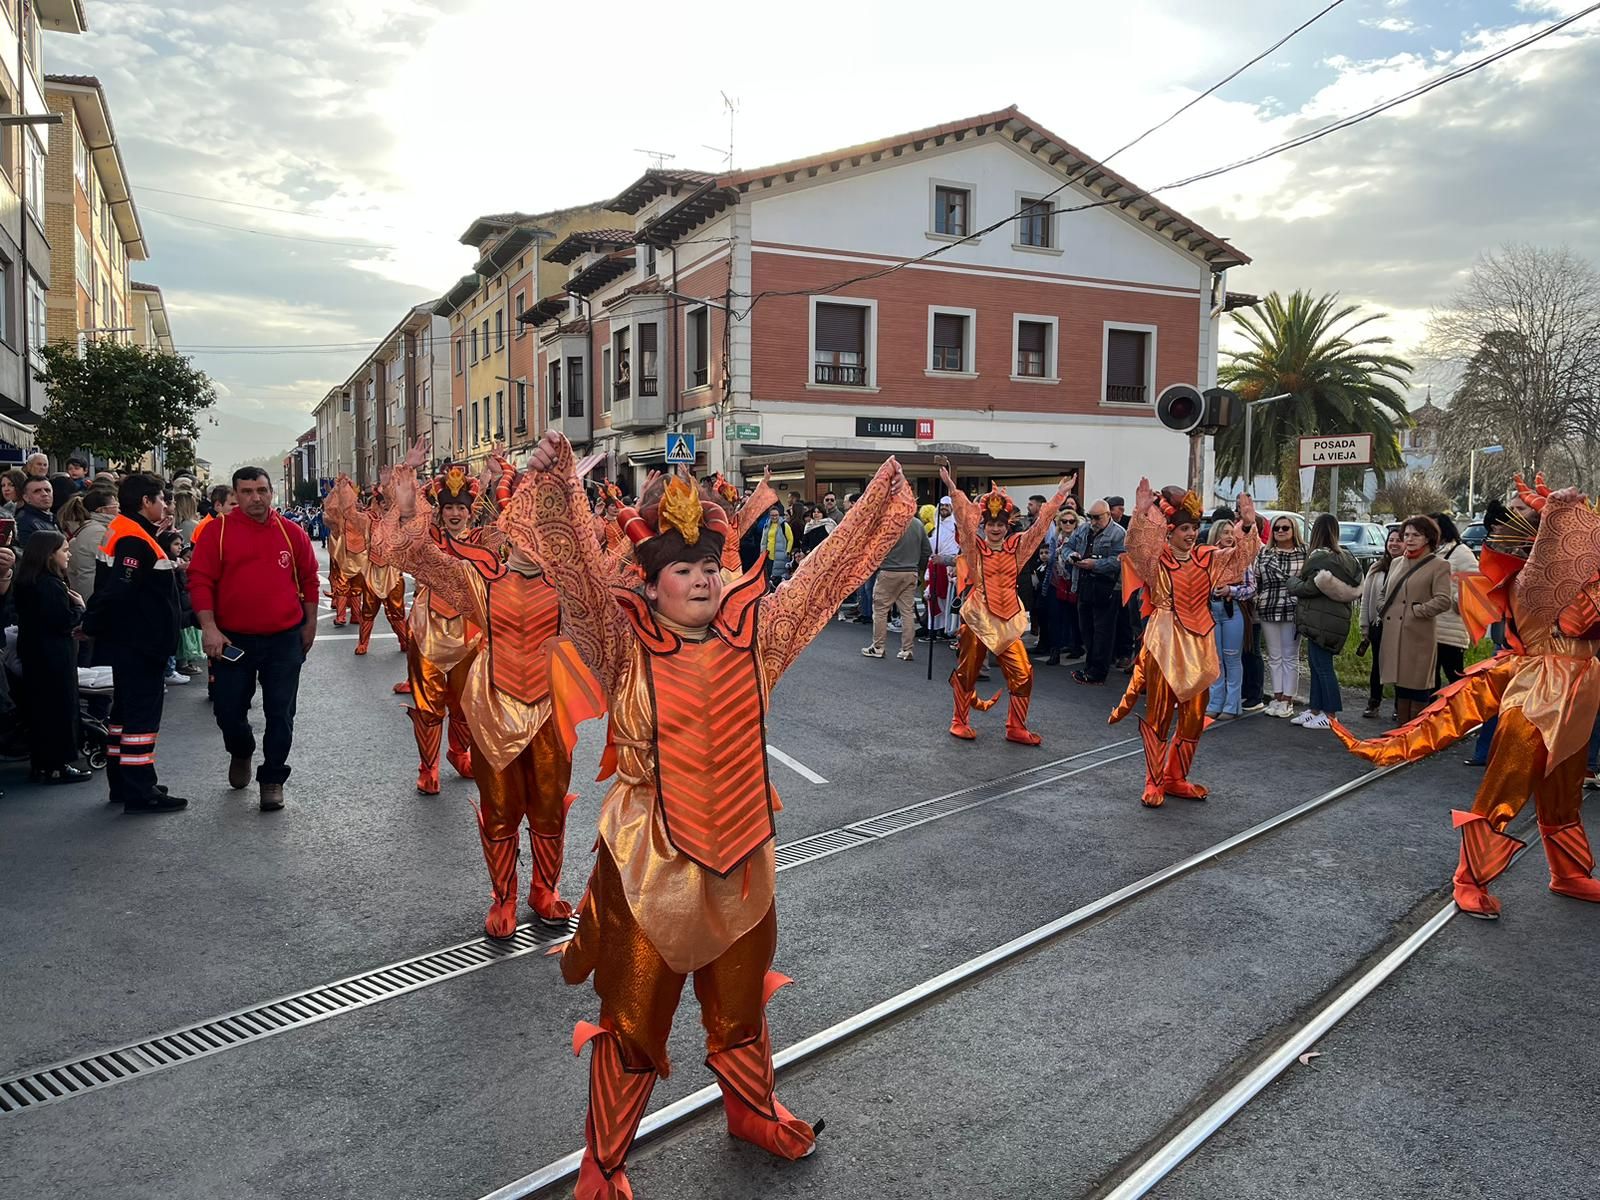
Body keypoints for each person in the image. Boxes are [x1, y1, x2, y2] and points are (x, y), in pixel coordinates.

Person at [512, 430, 914, 1200]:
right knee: (633, 1025)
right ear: (652, 582)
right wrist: (560, 486)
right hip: (649, 864)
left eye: (707, 567)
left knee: (739, 1007)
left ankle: (753, 1112)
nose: (698, 580)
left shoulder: (758, 638)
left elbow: (824, 581)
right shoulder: (620, 647)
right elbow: (577, 580)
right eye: (681, 570)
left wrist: (879, 496)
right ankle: (603, 1163)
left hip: (742, 858)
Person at [1335, 476, 1600, 919]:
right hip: (1535, 701)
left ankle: (1568, 872)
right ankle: (1470, 878)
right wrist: (1555, 515)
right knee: (1504, 789)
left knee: (1564, 792)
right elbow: (1549, 572)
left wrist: (1566, 518)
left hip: (1578, 699)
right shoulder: (1531, 583)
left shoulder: (1584, 580)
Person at [378, 448, 588, 935]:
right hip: (496, 710)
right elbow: (415, 557)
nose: (529, 544)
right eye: (521, 534)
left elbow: (615, 562)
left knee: (549, 802)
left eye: (541, 534)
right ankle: (504, 896)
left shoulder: (570, 585)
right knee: (499, 807)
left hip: (551, 714)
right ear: (506, 536)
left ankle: (544, 889)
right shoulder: (478, 580)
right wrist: (407, 509)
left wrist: (567, 481)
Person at [1109, 484, 1260, 807]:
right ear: (1171, 531)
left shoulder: (1208, 558)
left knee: (1193, 718)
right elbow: (1135, 546)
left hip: (1200, 643)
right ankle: (1153, 780)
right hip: (1165, 642)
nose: (1192, 534)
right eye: (1185, 529)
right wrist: (1140, 513)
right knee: (1160, 714)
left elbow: (1240, 560)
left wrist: (1248, 526)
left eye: (1195, 528)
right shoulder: (1156, 560)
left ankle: (1176, 776)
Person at [187, 467, 320, 813]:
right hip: (233, 640)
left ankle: (272, 777)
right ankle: (241, 749)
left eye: (261, 490)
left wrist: (309, 625)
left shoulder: (292, 533)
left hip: (283, 639)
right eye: (246, 491)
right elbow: (199, 581)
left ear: (271, 491)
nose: (255, 498)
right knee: (228, 711)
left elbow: (309, 579)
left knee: (281, 713)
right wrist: (209, 627)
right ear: (235, 496)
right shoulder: (217, 533)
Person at [943, 469, 1075, 744]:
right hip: (979, 617)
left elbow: (1041, 525)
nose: (995, 527)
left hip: (1008, 619)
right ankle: (959, 720)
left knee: (1024, 674)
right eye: (990, 522)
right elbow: (963, 525)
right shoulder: (975, 547)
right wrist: (952, 489)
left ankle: (1016, 726)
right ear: (984, 524)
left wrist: (1060, 495)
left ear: (1008, 524)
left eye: (1000, 522)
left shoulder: (1019, 546)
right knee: (967, 672)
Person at [82, 472, 187, 813]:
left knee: (124, 717)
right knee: (141, 720)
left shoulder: (129, 532)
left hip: (130, 641)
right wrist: (92, 622)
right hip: (141, 643)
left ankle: (124, 782)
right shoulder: (134, 540)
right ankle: (141, 790)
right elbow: (120, 589)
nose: (166, 505)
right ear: (146, 502)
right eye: (161, 499)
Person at [397, 459, 496, 795]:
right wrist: (408, 474)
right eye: (449, 507)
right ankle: (428, 767)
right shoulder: (427, 537)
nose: (455, 513)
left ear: (470, 512)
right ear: (441, 511)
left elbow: (512, 527)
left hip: (470, 632)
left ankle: (458, 752)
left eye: (461, 508)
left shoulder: (483, 540)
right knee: (428, 705)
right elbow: (406, 522)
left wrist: (495, 477)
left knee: (467, 702)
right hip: (428, 631)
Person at [13, 531, 91, 784]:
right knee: (60, 707)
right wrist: (79, 608)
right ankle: (58, 764)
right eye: (64, 550)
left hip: (34, 651)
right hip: (54, 653)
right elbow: (61, 622)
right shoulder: (50, 584)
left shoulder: (27, 581)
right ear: (50, 554)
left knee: (40, 709)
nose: (68, 555)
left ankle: (42, 763)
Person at [1372, 515, 1452, 724]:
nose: (1409, 539)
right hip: (1393, 632)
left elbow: (1444, 600)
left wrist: (1417, 611)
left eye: (1416, 535)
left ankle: (1414, 737)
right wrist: (1382, 606)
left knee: (1416, 688)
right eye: (1406, 534)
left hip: (1418, 635)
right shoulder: (1397, 562)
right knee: (1400, 688)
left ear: (1428, 538)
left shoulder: (1438, 565)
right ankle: (1400, 734)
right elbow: (1384, 593)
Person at [1289, 513, 1362, 729]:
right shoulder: (1348, 557)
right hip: (1336, 618)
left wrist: (1291, 582)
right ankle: (1315, 709)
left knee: (1321, 666)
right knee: (1317, 663)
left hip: (1320, 618)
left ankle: (1329, 714)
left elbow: (1308, 587)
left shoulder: (1320, 557)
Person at [1065, 500, 1126, 685]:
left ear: (1108, 515)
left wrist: (1095, 564)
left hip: (1107, 587)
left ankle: (1098, 672)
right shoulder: (1083, 529)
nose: (1093, 521)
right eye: (1091, 517)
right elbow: (1068, 546)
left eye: (1097, 517)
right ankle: (1090, 667)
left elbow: (1120, 560)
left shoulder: (1118, 533)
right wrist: (1071, 556)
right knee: (1087, 629)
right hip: (1084, 584)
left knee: (1103, 631)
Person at [1205, 521, 1256, 719]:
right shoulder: (1207, 557)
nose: (1229, 536)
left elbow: (1251, 587)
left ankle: (1232, 705)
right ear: (1215, 535)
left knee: (1232, 658)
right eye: (1224, 532)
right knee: (1215, 659)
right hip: (1211, 611)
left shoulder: (1240, 558)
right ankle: (1215, 702)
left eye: (1231, 532)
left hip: (1232, 610)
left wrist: (1231, 590)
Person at [862, 511, 929, 661]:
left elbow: (875, 550)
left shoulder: (888, 524)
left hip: (889, 570)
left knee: (880, 610)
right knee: (907, 612)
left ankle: (878, 646)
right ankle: (907, 649)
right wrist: (919, 569)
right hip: (910, 571)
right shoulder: (918, 524)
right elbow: (926, 551)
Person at [1255, 516, 1305, 717]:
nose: (1281, 531)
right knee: (1274, 656)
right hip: (1269, 606)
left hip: (1293, 608)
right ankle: (1276, 696)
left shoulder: (1304, 553)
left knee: (1291, 656)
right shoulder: (1264, 553)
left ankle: (1288, 699)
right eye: (1276, 528)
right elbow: (1256, 578)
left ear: (1294, 530)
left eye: (1286, 527)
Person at [1357, 528, 1405, 720]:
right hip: (1378, 623)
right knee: (1378, 665)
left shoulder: (1409, 567)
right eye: (1391, 540)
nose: (1394, 544)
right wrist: (1364, 626)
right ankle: (1374, 702)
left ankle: (1398, 706)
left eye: (1398, 540)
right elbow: (1366, 598)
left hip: (1400, 625)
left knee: (1400, 667)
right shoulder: (1376, 568)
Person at [1430, 512, 1479, 688]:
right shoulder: (1429, 552)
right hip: (1428, 628)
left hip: (1451, 628)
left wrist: (1455, 600)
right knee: (1429, 679)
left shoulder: (1461, 552)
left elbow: (1476, 584)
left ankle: (1463, 713)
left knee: (1454, 676)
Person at [1037, 508, 1084, 666]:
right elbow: (1049, 560)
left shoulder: (1080, 539)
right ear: (1059, 523)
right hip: (1055, 582)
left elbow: (1081, 558)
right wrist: (1056, 553)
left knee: (1074, 617)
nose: (1068, 524)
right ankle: (1054, 651)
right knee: (1054, 617)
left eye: (1071, 521)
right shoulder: (1055, 538)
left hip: (1073, 582)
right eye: (1064, 521)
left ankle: (1076, 646)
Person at [925, 496, 959, 639]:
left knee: (947, 599)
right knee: (933, 598)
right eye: (942, 506)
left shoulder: (955, 526)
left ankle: (947, 629)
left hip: (949, 566)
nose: (944, 508)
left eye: (947, 506)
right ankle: (933, 628)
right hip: (935, 564)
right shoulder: (937, 525)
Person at [16, 476, 56, 547]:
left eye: (47, 490)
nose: (45, 494)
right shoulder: (24, 523)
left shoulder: (52, 517)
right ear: (26, 498)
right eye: (37, 491)